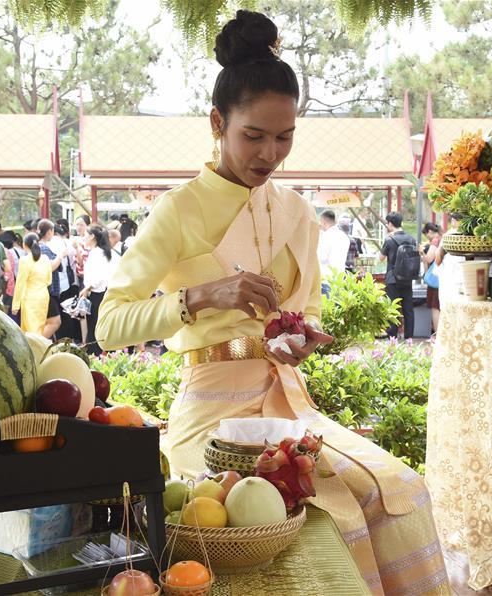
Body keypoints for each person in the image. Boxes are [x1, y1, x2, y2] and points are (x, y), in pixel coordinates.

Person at [95, 11, 448, 594]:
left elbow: (304, 310)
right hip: (209, 410)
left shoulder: (298, 214)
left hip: (286, 406)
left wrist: (300, 337)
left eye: (284, 137)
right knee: (298, 525)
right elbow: (109, 325)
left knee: (400, 491)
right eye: (253, 136)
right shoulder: (179, 210)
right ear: (217, 122)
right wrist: (203, 296)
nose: (269, 154)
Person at [379, 212, 417, 341]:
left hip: (392, 278)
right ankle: (409, 338)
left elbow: (381, 258)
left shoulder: (389, 239)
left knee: (392, 308)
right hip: (407, 278)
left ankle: (392, 338)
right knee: (408, 309)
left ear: (390, 224)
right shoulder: (411, 239)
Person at [77, 224, 112, 356]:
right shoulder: (100, 252)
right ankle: (95, 353)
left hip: (96, 293)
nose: (84, 238)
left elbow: (99, 277)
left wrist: (87, 288)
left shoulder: (98, 253)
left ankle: (95, 354)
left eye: (86, 235)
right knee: (94, 324)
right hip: (96, 292)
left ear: (92, 236)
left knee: (94, 325)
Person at [12, 232, 56, 336]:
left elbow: (20, 283)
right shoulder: (45, 258)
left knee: (31, 329)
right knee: (40, 326)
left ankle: (35, 350)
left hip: (29, 298)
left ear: (24, 245)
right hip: (43, 296)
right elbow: (48, 280)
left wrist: (15, 305)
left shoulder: (24, 260)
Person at [36, 219, 67, 339]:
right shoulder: (43, 248)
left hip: (42, 290)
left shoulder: (38, 247)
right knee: (55, 322)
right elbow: (50, 267)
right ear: (49, 232)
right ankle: (38, 343)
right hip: (47, 291)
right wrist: (60, 256)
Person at [316, 209, 350, 295]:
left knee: (325, 307)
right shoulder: (344, 237)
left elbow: (321, 257)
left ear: (324, 222)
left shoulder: (326, 236)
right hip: (340, 279)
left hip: (326, 280)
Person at [421, 222, 442, 333]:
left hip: (435, 280)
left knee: (435, 307)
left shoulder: (435, 241)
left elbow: (429, 259)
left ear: (429, 232)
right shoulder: (443, 238)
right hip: (444, 278)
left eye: (426, 234)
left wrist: (421, 252)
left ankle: (437, 334)